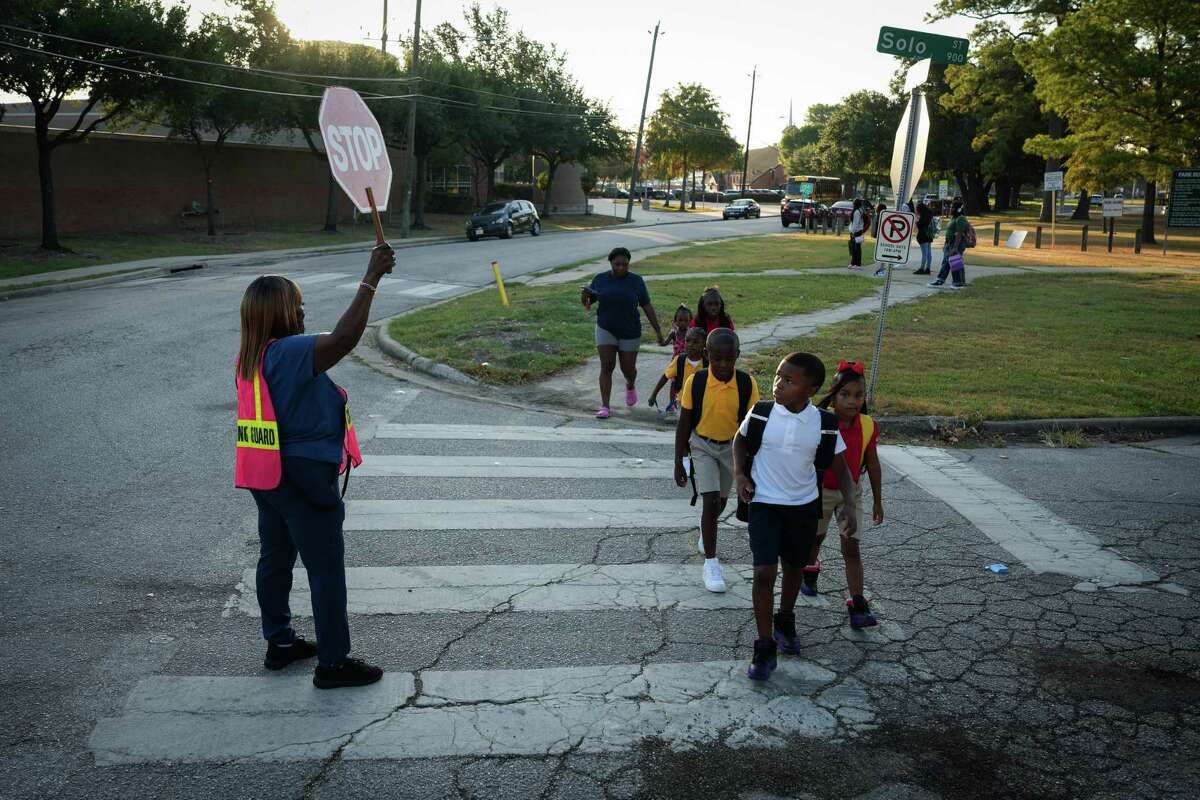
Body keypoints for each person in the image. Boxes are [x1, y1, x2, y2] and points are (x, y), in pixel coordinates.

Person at [235, 243, 395, 690]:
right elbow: (344, 340)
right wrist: (371, 279)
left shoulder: (252, 355)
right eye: (298, 308)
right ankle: (333, 663)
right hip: (303, 475)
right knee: (325, 570)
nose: (304, 315)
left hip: (266, 475)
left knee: (276, 559)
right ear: (280, 314)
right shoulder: (287, 352)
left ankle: (280, 642)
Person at [733, 353, 857, 681]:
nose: (778, 384)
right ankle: (763, 645)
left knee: (793, 568)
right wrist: (740, 475)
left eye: (789, 381)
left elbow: (841, 468)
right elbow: (740, 440)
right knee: (763, 571)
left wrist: (850, 503)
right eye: (777, 377)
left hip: (803, 506)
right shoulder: (760, 413)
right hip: (763, 503)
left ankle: (785, 617)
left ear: (810, 389)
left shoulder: (824, 424)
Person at [798, 360, 884, 630]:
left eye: (858, 395)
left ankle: (857, 604)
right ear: (834, 395)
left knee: (851, 546)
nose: (852, 401)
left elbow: (872, 463)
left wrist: (878, 500)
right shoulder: (821, 420)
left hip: (852, 494)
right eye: (845, 395)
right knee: (815, 538)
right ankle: (809, 571)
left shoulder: (869, 426)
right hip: (821, 490)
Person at [674, 329, 758, 593]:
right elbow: (684, 423)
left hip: (732, 448)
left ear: (737, 356)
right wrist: (679, 460)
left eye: (729, 359)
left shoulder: (747, 384)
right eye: (717, 359)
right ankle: (711, 563)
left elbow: (752, 427)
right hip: (702, 445)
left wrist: (752, 463)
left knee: (721, 501)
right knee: (710, 501)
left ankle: (705, 529)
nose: (723, 365)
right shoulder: (696, 382)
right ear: (707, 355)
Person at [581, 247, 665, 419]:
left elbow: (646, 305)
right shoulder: (600, 279)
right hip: (606, 328)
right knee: (607, 366)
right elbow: (588, 302)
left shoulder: (636, 281)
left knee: (628, 369)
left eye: (624, 265)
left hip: (630, 330)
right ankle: (605, 406)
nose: (620, 268)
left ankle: (630, 384)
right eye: (617, 264)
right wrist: (585, 295)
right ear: (610, 263)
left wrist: (657, 330)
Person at [649, 326, 706, 415]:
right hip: (682, 402)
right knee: (684, 424)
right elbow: (665, 376)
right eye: (688, 341)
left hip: (702, 402)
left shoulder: (707, 363)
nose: (690, 344)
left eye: (696, 342)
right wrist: (654, 394)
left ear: (704, 344)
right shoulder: (679, 360)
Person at [929, 199, 968, 289]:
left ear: (958, 209)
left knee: (954, 263)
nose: (950, 209)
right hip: (949, 244)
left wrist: (955, 247)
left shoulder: (960, 219)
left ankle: (956, 282)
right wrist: (946, 244)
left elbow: (959, 234)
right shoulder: (954, 218)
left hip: (955, 244)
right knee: (947, 262)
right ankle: (943, 280)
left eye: (953, 207)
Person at [914, 200, 934, 275]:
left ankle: (922, 268)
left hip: (922, 236)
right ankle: (928, 268)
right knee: (929, 253)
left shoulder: (922, 218)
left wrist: (916, 221)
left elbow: (919, 225)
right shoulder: (929, 215)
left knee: (924, 254)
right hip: (929, 235)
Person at [847, 199, 866, 271]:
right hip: (858, 231)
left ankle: (857, 264)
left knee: (856, 248)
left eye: (853, 203)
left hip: (856, 232)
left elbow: (855, 223)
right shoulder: (860, 211)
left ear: (855, 204)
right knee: (855, 248)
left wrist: (852, 232)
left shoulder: (857, 212)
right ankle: (853, 263)